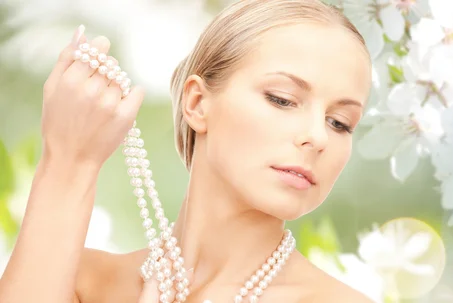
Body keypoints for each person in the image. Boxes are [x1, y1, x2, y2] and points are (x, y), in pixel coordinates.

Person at [0, 0, 373, 302]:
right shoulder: (82, 283)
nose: (318, 137)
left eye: (340, 122)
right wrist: (69, 160)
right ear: (196, 103)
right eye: (283, 99)